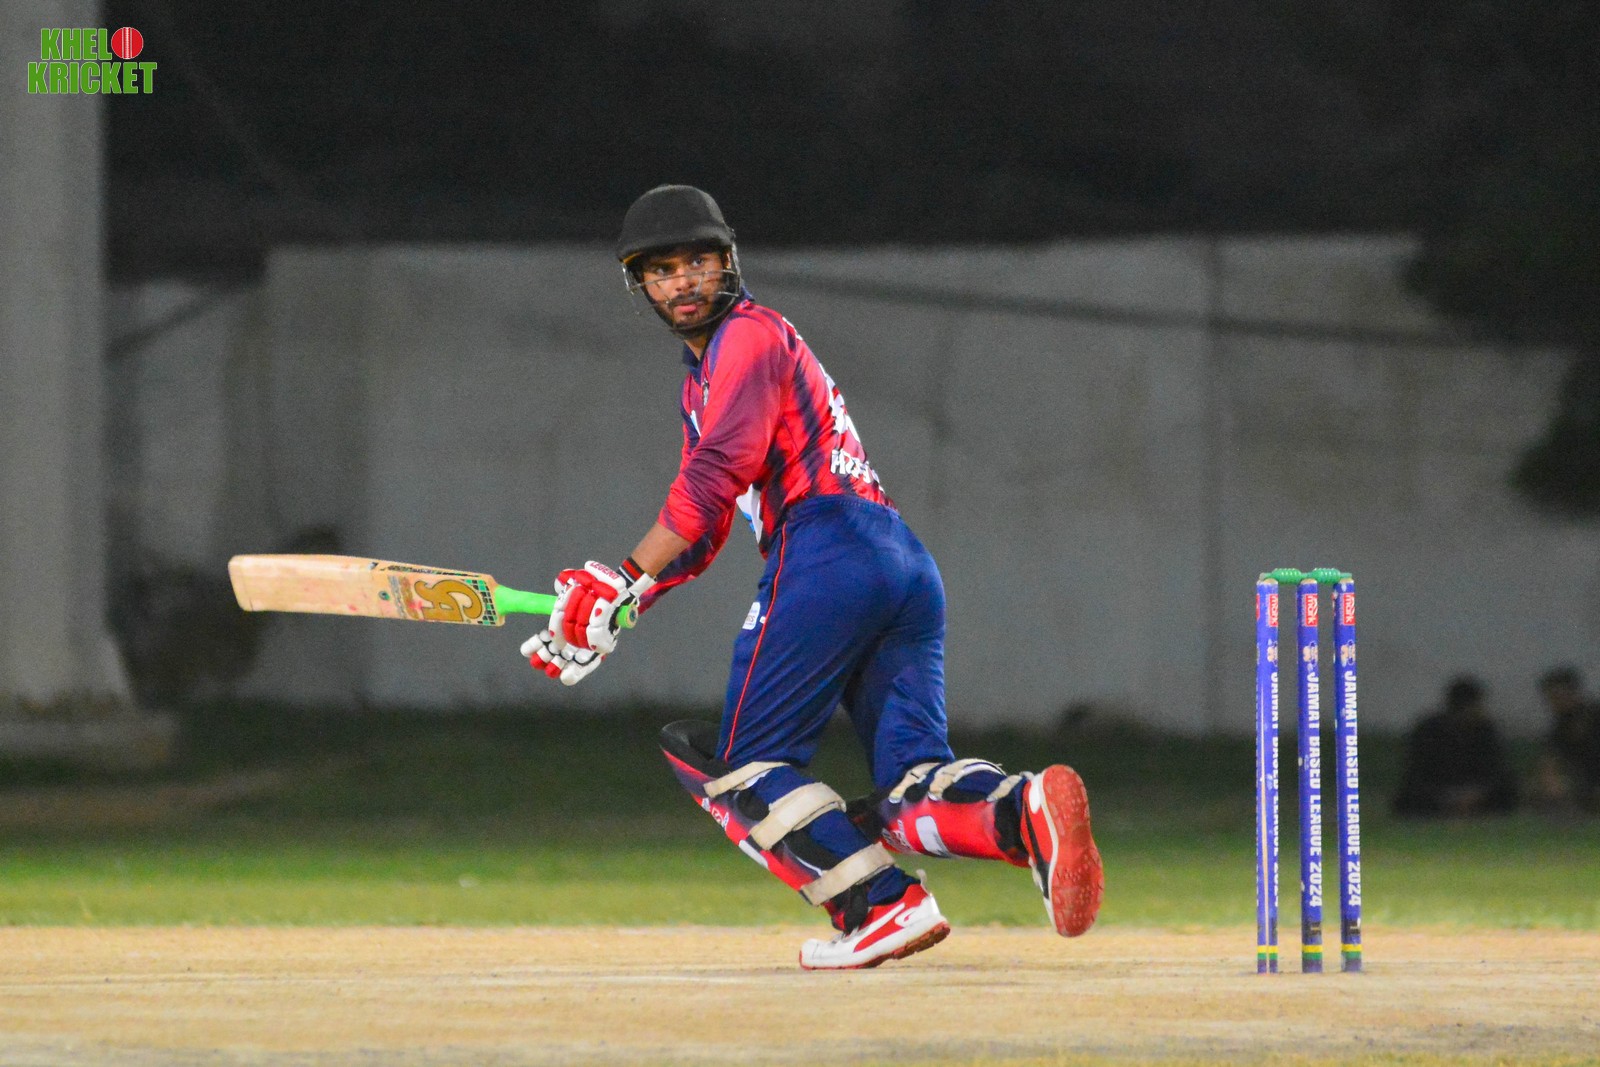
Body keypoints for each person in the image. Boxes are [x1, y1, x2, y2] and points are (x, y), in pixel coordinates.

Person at [520, 185, 1103, 970]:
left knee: (738, 765)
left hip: (825, 549)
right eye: (661, 269)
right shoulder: (712, 372)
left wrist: (624, 574)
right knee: (910, 782)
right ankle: (1020, 811)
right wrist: (616, 604)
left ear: (729, 262)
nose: (682, 281)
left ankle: (879, 904)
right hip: (897, 560)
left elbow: (712, 477)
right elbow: (707, 528)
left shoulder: (747, 335)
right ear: (641, 284)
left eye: (697, 261)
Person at [1392, 676, 1518, 818]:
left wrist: (1476, 793)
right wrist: (1445, 796)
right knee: (1411, 796)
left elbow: (1496, 770)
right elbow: (1417, 771)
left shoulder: (1485, 731)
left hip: (1475, 791)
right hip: (1438, 790)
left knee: (1506, 791)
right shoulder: (1429, 730)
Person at [1530, 666, 1600, 813]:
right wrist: (1551, 781)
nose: (1553, 703)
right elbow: (1550, 759)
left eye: (1557, 696)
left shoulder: (1594, 716)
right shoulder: (1559, 727)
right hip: (1583, 782)